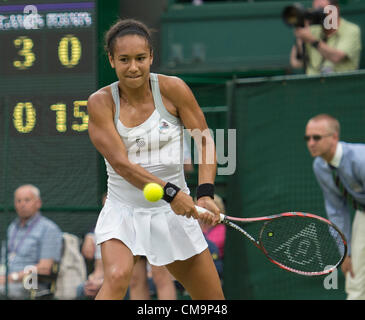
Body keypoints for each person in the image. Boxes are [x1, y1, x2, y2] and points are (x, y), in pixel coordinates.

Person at [87, 18, 224, 300]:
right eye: (124, 59)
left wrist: (206, 192)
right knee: (116, 276)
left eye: (140, 58)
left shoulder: (173, 89)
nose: (133, 67)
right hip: (123, 210)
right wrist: (172, 193)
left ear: (151, 57)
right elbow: (122, 165)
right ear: (111, 60)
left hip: (171, 214)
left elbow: (205, 141)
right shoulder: (100, 103)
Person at [304, 114, 365, 300]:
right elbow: (336, 210)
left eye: (317, 137)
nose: (311, 143)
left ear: (334, 137)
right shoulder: (319, 166)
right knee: (355, 277)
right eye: (308, 138)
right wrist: (345, 253)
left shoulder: (360, 160)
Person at [0, 184, 63, 299]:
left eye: (27, 200)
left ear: (38, 203)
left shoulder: (49, 229)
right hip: (4, 278)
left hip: (29, 284)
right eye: (18, 201)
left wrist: (12, 277)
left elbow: (44, 268)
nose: (22, 204)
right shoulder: (12, 227)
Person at [290, 0, 361, 75]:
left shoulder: (351, 30)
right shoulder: (312, 31)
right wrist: (301, 30)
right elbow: (296, 63)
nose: (319, 13)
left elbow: (337, 57)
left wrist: (313, 41)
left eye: (322, 9)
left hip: (340, 84)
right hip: (314, 84)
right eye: (316, 10)